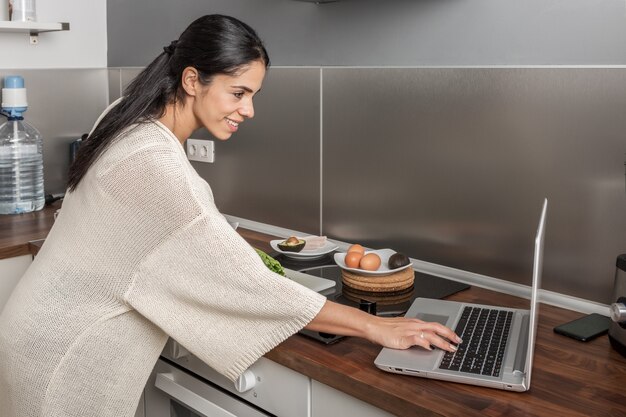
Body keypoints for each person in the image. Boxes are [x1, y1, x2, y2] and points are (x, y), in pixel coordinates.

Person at [0, 14, 460, 417]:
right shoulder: (153, 163)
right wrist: (375, 326)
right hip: (66, 357)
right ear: (192, 79)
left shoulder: (126, 114)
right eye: (238, 92)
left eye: (253, 94)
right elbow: (248, 285)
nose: (249, 109)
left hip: (39, 327)